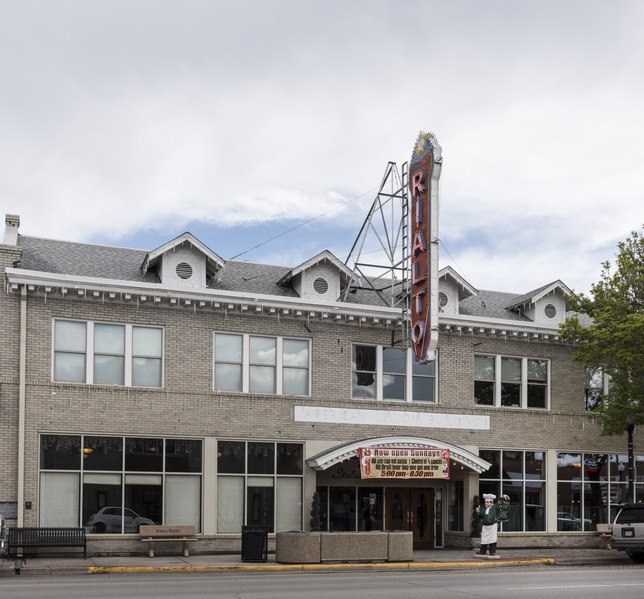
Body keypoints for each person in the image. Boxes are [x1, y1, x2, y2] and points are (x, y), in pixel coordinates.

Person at [475, 493, 510, 557]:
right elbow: (480, 516)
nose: (487, 503)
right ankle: (482, 551)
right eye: (486, 502)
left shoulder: (495, 507)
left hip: (493, 526)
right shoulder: (483, 508)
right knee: (484, 539)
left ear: (491, 502)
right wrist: (478, 512)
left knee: (492, 539)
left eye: (488, 502)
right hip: (485, 527)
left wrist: (504, 498)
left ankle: (492, 552)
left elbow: (501, 503)